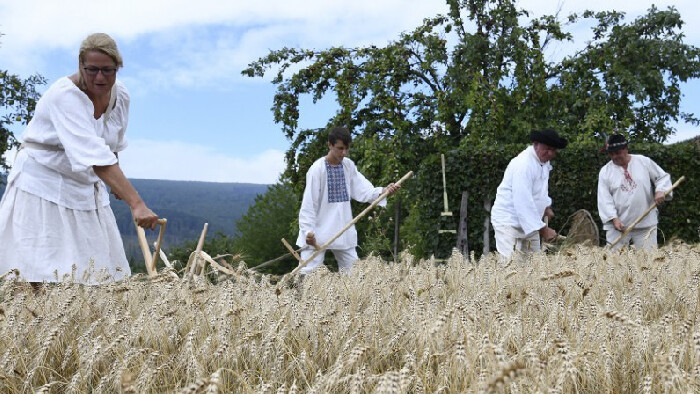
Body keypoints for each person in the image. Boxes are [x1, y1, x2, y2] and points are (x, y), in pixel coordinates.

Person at [0, 33, 159, 285]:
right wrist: (136, 203)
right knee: (38, 269)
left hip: (83, 184)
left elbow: (110, 145)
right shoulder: (64, 96)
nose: (100, 77)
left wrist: (117, 186)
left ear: (118, 68)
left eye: (108, 70)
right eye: (92, 69)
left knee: (96, 270)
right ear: (80, 65)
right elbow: (95, 157)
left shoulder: (120, 97)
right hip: (41, 182)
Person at [296, 127, 400, 275]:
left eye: (346, 148)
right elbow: (309, 203)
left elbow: (362, 188)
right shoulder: (317, 169)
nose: (343, 153)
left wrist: (383, 191)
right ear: (330, 145)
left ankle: (353, 298)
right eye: (340, 148)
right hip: (317, 230)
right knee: (309, 273)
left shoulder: (348, 165)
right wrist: (308, 232)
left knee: (353, 273)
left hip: (342, 227)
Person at [490, 128, 568, 261]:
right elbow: (523, 201)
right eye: (547, 148)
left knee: (535, 265)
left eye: (554, 150)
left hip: (531, 223)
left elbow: (539, 191)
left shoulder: (543, 162)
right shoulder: (523, 165)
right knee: (510, 267)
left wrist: (546, 207)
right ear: (536, 144)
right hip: (508, 222)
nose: (550, 153)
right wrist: (544, 230)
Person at [597, 133, 672, 251]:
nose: (614, 156)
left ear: (626, 149)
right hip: (617, 226)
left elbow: (662, 177)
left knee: (649, 262)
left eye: (617, 152)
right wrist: (614, 218)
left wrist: (661, 190)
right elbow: (604, 198)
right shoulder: (605, 172)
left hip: (645, 224)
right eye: (611, 154)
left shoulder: (643, 161)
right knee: (614, 264)